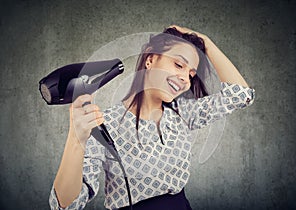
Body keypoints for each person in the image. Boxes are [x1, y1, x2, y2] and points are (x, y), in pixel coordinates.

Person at [49, 25, 255, 210]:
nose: (185, 78)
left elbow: (241, 95)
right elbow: (66, 205)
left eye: (191, 74)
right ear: (150, 59)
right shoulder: (104, 124)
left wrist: (206, 42)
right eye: (178, 65)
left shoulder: (183, 114)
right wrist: (76, 139)